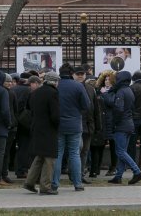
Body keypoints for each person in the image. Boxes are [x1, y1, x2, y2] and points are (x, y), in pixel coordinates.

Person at [51, 63, 89, 192]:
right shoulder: (78, 86)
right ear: (72, 73)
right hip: (74, 125)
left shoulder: (56, 86)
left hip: (58, 125)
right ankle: (78, 183)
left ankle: (55, 184)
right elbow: (86, 105)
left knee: (58, 154)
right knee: (74, 154)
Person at [103, 71, 141, 185]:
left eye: (117, 77)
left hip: (121, 125)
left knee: (120, 152)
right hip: (129, 124)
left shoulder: (121, 91)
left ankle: (137, 172)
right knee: (122, 151)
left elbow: (119, 109)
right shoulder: (129, 90)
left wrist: (115, 123)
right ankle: (118, 176)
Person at [23, 71, 60, 195]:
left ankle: (29, 182)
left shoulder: (35, 93)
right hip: (48, 129)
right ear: (54, 82)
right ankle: (45, 186)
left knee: (39, 156)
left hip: (36, 128)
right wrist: (57, 125)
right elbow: (55, 115)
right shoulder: (53, 93)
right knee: (49, 158)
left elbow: (29, 109)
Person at [74, 65, 100, 183]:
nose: (80, 76)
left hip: (88, 125)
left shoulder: (90, 89)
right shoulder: (71, 87)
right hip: (75, 125)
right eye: (78, 74)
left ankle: (80, 175)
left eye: (82, 74)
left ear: (85, 75)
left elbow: (95, 108)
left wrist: (97, 126)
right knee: (75, 151)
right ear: (73, 75)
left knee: (85, 151)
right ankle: (74, 174)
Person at [0, 70, 12, 186]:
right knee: (0, 152)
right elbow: (5, 110)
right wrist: (8, 123)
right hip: (0, 126)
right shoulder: (2, 91)